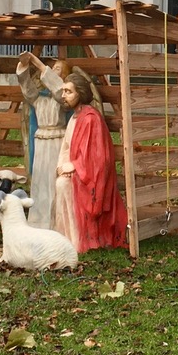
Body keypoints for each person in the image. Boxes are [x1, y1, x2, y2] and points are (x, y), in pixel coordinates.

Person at [52, 67, 129, 251]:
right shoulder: (74, 117)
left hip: (89, 178)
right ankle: (67, 237)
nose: (64, 95)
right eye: (64, 91)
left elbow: (97, 157)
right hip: (75, 172)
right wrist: (62, 165)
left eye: (69, 92)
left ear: (81, 93)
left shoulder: (90, 119)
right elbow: (67, 147)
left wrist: (73, 166)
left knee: (63, 185)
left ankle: (78, 239)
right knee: (60, 184)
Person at [15, 52, 70, 229]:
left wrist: (38, 64)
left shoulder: (63, 98)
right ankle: (38, 221)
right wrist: (24, 66)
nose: (53, 71)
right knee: (40, 181)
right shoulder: (39, 99)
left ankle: (56, 221)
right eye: (52, 68)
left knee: (54, 180)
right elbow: (27, 89)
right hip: (41, 142)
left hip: (57, 142)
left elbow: (59, 89)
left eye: (58, 69)